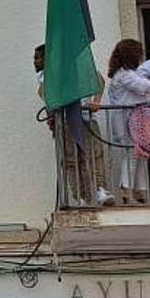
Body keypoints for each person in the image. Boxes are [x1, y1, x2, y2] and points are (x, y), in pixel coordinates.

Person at [37, 44, 112, 206]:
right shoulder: (48, 74)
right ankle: (81, 198)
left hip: (85, 117)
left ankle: (100, 190)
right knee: (72, 161)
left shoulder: (79, 66)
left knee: (94, 155)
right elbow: (44, 92)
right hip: (65, 121)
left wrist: (96, 102)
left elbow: (98, 78)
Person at [107, 40, 150, 204]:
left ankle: (140, 191)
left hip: (134, 121)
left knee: (139, 154)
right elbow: (142, 85)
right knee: (133, 154)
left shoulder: (125, 73)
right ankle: (127, 190)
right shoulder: (124, 74)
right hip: (126, 121)